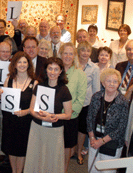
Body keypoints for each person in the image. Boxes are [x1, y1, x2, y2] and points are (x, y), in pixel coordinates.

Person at [24, 57, 73, 173]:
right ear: (46, 70)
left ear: (61, 71)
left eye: (56, 69)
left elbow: (68, 114)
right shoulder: (39, 86)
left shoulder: (64, 90)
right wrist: (42, 117)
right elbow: (32, 109)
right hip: (37, 128)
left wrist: (54, 116)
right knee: (36, 157)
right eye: (50, 68)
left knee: (53, 159)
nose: (52, 72)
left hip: (55, 130)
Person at [0, 51, 37, 173]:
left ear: (29, 65)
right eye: (19, 62)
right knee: (10, 148)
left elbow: (35, 107)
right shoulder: (8, 80)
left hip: (25, 121)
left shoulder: (34, 82)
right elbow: (2, 101)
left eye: (25, 62)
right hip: (10, 120)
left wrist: (25, 112)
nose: (22, 64)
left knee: (21, 150)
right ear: (14, 64)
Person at [87, 68, 129, 173]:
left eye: (115, 81)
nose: (111, 84)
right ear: (103, 83)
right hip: (94, 141)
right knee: (93, 169)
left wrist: (101, 141)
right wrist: (92, 137)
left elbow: (121, 127)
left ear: (119, 84)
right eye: (108, 81)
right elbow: (89, 118)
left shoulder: (122, 102)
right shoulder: (96, 97)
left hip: (111, 144)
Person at [59, 42, 87, 171]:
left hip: (70, 117)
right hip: (53, 117)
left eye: (71, 53)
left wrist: (64, 112)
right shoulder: (55, 70)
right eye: (65, 53)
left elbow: (80, 100)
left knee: (66, 148)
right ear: (60, 54)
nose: (68, 56)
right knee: (54, 146)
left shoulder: (79, 73)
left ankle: (63, 170)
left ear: (74, 56)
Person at [76, 41, 101, 165]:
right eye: (82, 50)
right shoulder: (73, 64)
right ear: (78, 51)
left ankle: (79, 151)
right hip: (72, 101)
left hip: (86, 103)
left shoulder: (94, 68)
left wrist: (95, 107)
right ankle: (70, 150)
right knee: (71, 127)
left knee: (82, 129)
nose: (85, 53)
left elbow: (97, 89)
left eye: (88, 50)